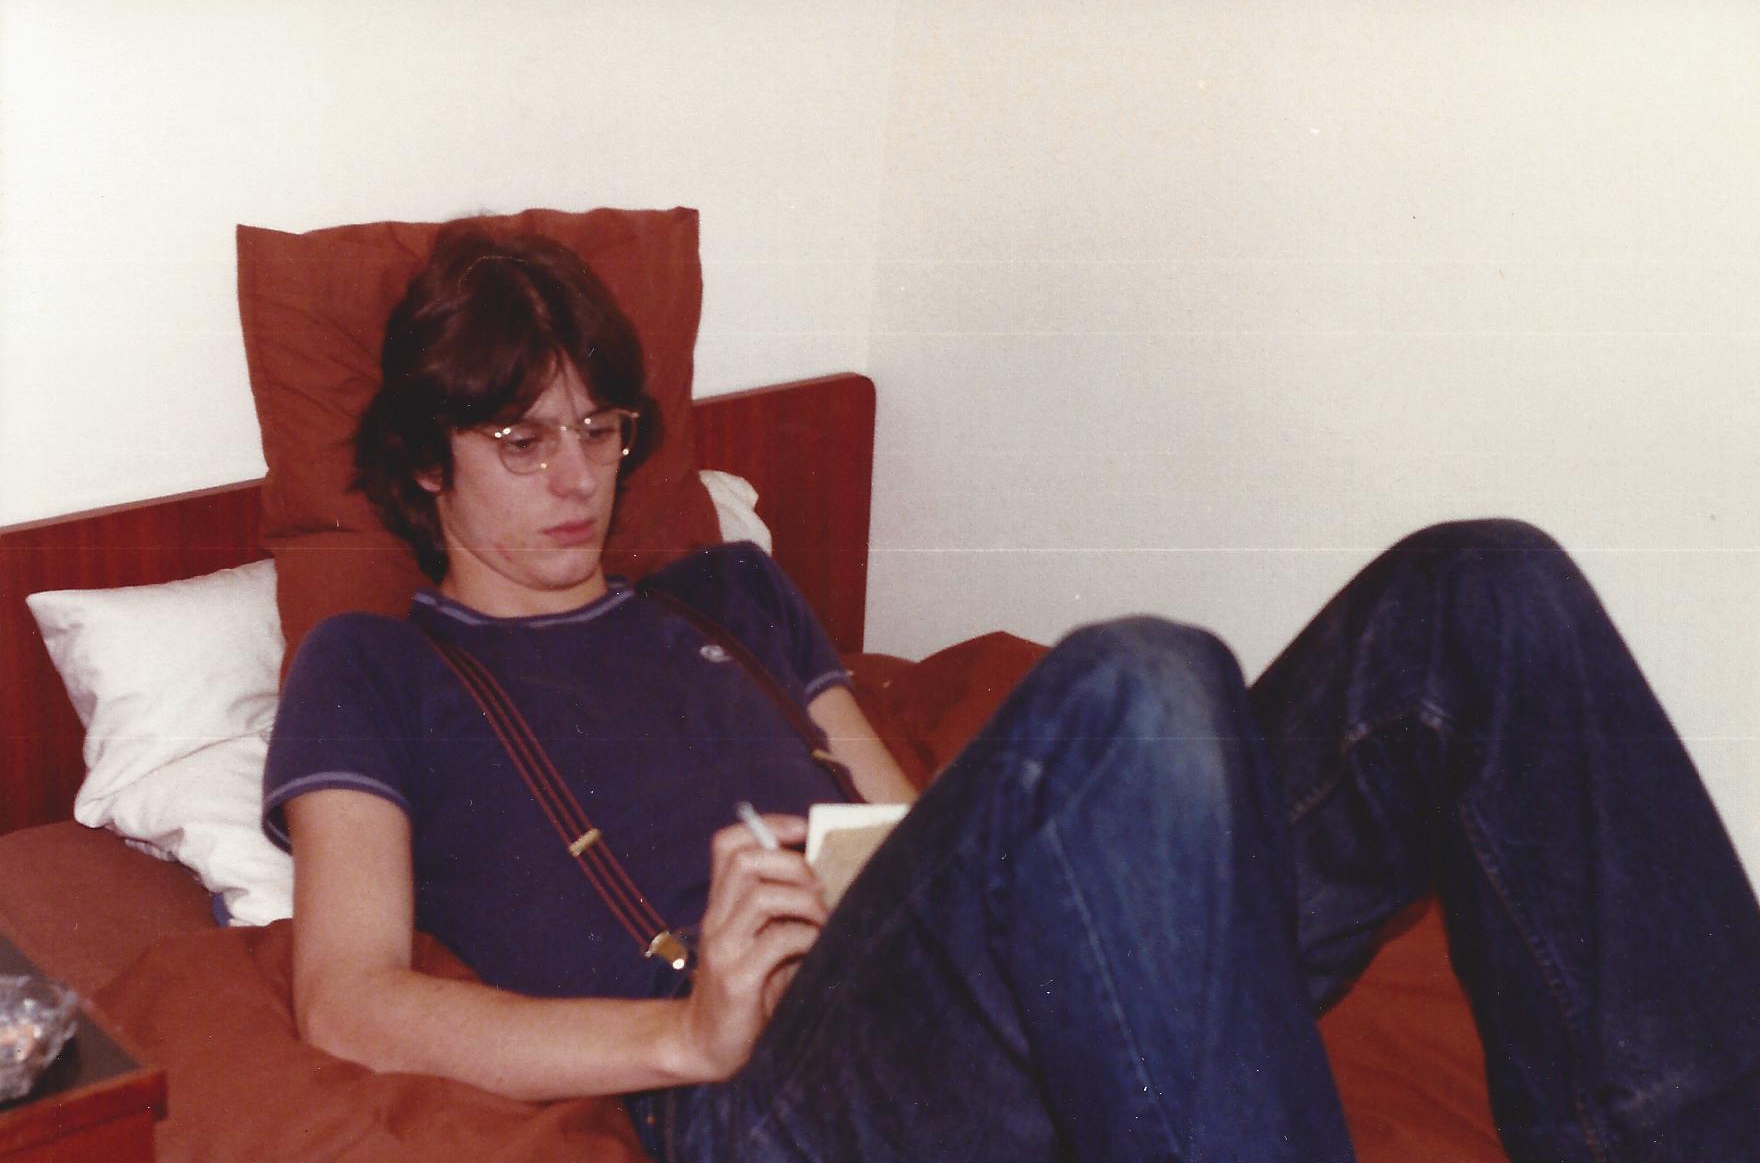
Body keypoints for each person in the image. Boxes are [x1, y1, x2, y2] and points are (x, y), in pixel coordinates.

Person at [263, 226, 1760, 1163]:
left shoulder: (731, 595)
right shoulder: (377, 667)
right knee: (1145, 683)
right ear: (424, 463)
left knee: (1482, 588)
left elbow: (922, 833)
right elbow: (347, 1000)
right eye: (523, 442)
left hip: (952, 990)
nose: (579, 477)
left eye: (601, 429)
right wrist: (688, 1038)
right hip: (762, 1088)